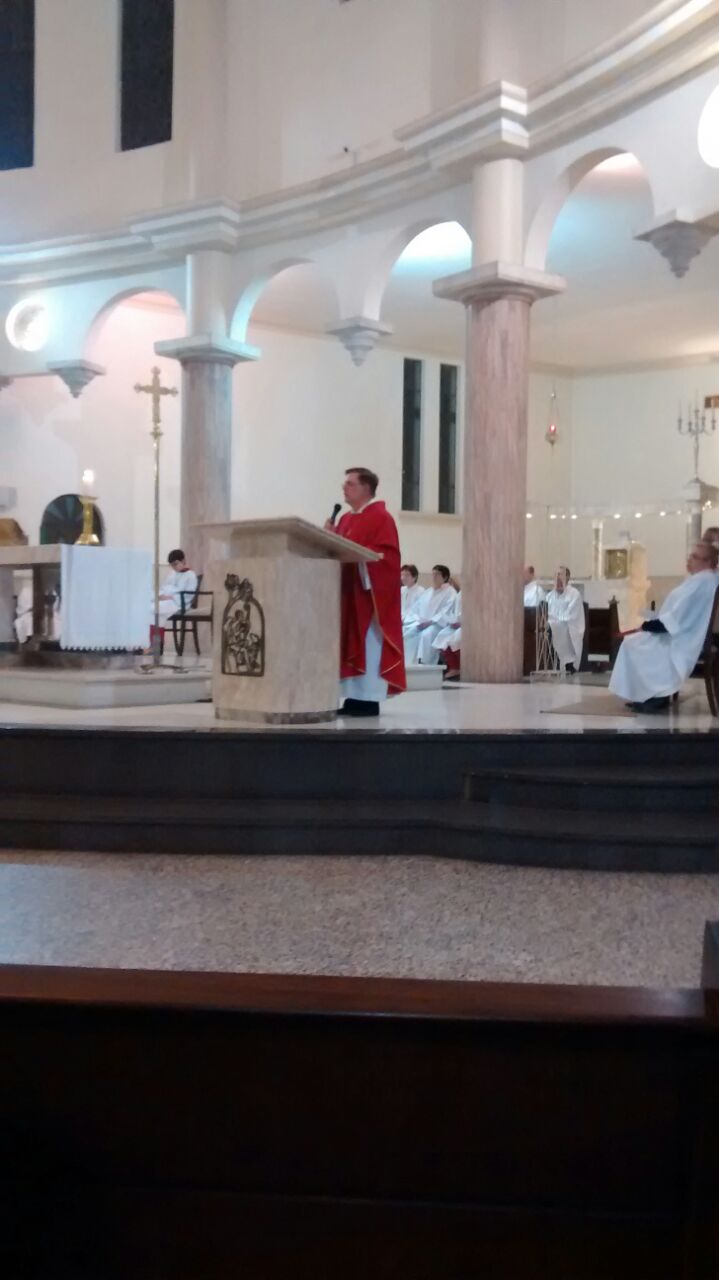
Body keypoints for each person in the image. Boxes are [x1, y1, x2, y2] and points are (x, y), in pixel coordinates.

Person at [327, 467, 405, 717]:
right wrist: (329, 538)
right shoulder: (345, 519)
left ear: (366, 488)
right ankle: (353, 698)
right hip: (349, 594)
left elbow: (388, 558)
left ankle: (369, 700)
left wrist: (365, 563)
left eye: (350, 484)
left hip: (369, 598)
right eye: (345, 483)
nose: (344, 487)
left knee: (369, 646)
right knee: (350, 643)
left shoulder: (381, 518)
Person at [609, 540, 718, 711]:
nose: (689, 559)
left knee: (633, 644)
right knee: (635, 642)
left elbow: (677, 619)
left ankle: (655, 696)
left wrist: (649, 625)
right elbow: (681, 615)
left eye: (694, 556)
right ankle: (648, 695)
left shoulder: (702, 582)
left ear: (708, 561)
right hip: (682, 633)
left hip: (681, 639)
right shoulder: (704, 580)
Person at [402, 565, 456, 665]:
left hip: (437, 625)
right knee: (407, 634)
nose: (434, 577)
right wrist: (417, 620)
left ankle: (426, 664)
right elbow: (415, 609)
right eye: (433, 574)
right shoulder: (428, 591)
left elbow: (446, 611)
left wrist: (430, 622)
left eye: (437, 574)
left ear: (445, 577)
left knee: (426, 635)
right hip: (422, 623)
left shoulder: (450, 592)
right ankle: (409, 663)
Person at [547, 565, 585, 673]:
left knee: (558, 629)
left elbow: (571, 616)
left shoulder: (574, 594)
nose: (558, 578)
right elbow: (546, 613)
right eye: (556, 575)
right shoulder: (550, 596)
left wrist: (553, 621)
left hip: (571, 627)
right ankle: (549, 662)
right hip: (554, 624)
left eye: (561, 575)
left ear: (567, 578)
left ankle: (567, 662)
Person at [152, 549, 198, 628]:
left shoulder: (191, 575)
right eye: (172, 565)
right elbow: (164, 587)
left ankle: (157, 635)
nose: (174, 567)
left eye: (175, 564)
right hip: (168, 601)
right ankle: (155, 635)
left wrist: (172, 597)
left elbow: (189, 595)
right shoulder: (172, 574)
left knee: (154, 609)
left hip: (180, 604)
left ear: (183, 561)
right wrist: (161, 596)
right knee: (150, 608)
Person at [432, 586, 462, 678]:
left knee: (455, 638)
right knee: (442, 635)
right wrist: (451, 620)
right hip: (456, 624)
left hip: (467, 626)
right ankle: (453, 667)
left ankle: (460, 666)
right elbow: (454, 611)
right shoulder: (460, 594)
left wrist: (461, 623)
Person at [400, 564, 424, 635]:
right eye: (402, 575)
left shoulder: (421, 591)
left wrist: (405, 620)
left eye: (406, 575)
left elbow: (419, 612)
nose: (403, 578)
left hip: (412, 622)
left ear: (414, 577)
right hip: (401, 620)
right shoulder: (402, 590)